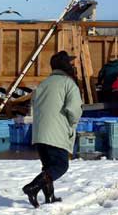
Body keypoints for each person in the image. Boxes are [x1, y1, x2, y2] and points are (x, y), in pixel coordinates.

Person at [23, 51, 82, 208]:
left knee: (48, 167)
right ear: (65, 66)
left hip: (39, 134)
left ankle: (50, 197)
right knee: (60, 166)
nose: (72, 66)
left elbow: (34, 106)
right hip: (56, 133)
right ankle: (33, 187)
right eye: (70, 63)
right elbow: (74, 110)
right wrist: (72, 125)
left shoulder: (43, 83)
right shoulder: (69, 84)